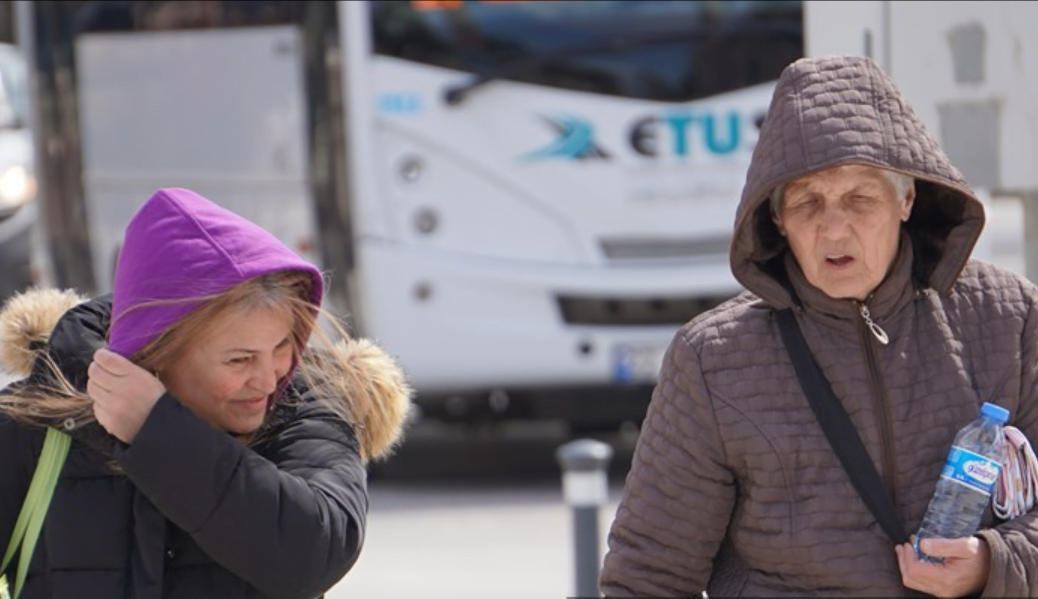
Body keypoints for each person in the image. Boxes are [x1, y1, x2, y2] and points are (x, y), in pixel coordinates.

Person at [600, 55, 1038, 597]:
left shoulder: (1007, 317)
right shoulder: (713, 358)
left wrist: (993, 563)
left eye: (859, 198)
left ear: (906, 198)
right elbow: (649, 574)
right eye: (807, 202)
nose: (833, 228)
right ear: (777, 219)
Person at [0, 188, 412, 598]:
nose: (269, 381)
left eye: (283, 347)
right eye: (240, 360)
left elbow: (312, 557)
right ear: (157, 351)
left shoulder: (308, 411)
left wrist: (156, 431)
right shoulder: (34, 422)